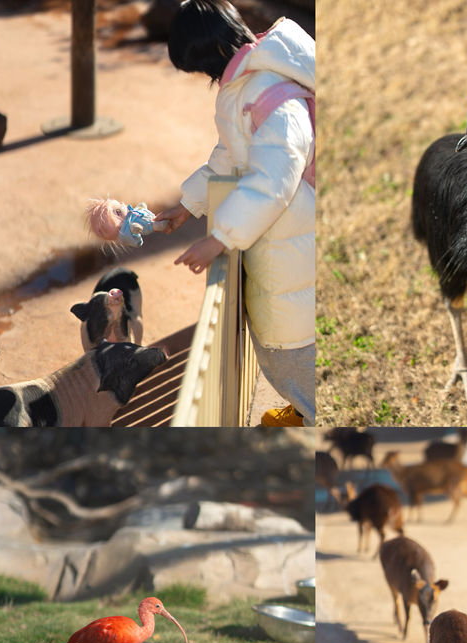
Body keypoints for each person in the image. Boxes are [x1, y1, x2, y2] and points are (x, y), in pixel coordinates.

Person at [157, 0, 315, 427]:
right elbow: (230, 154)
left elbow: (273, 180)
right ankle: (305, 408)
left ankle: (315, 417)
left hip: (294, 238)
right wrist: (189, 207)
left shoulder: (270, 96)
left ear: (205, 56)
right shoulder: (245, 87)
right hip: (278, 236)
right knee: (277, 335)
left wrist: (219, 237)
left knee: (294, 344)